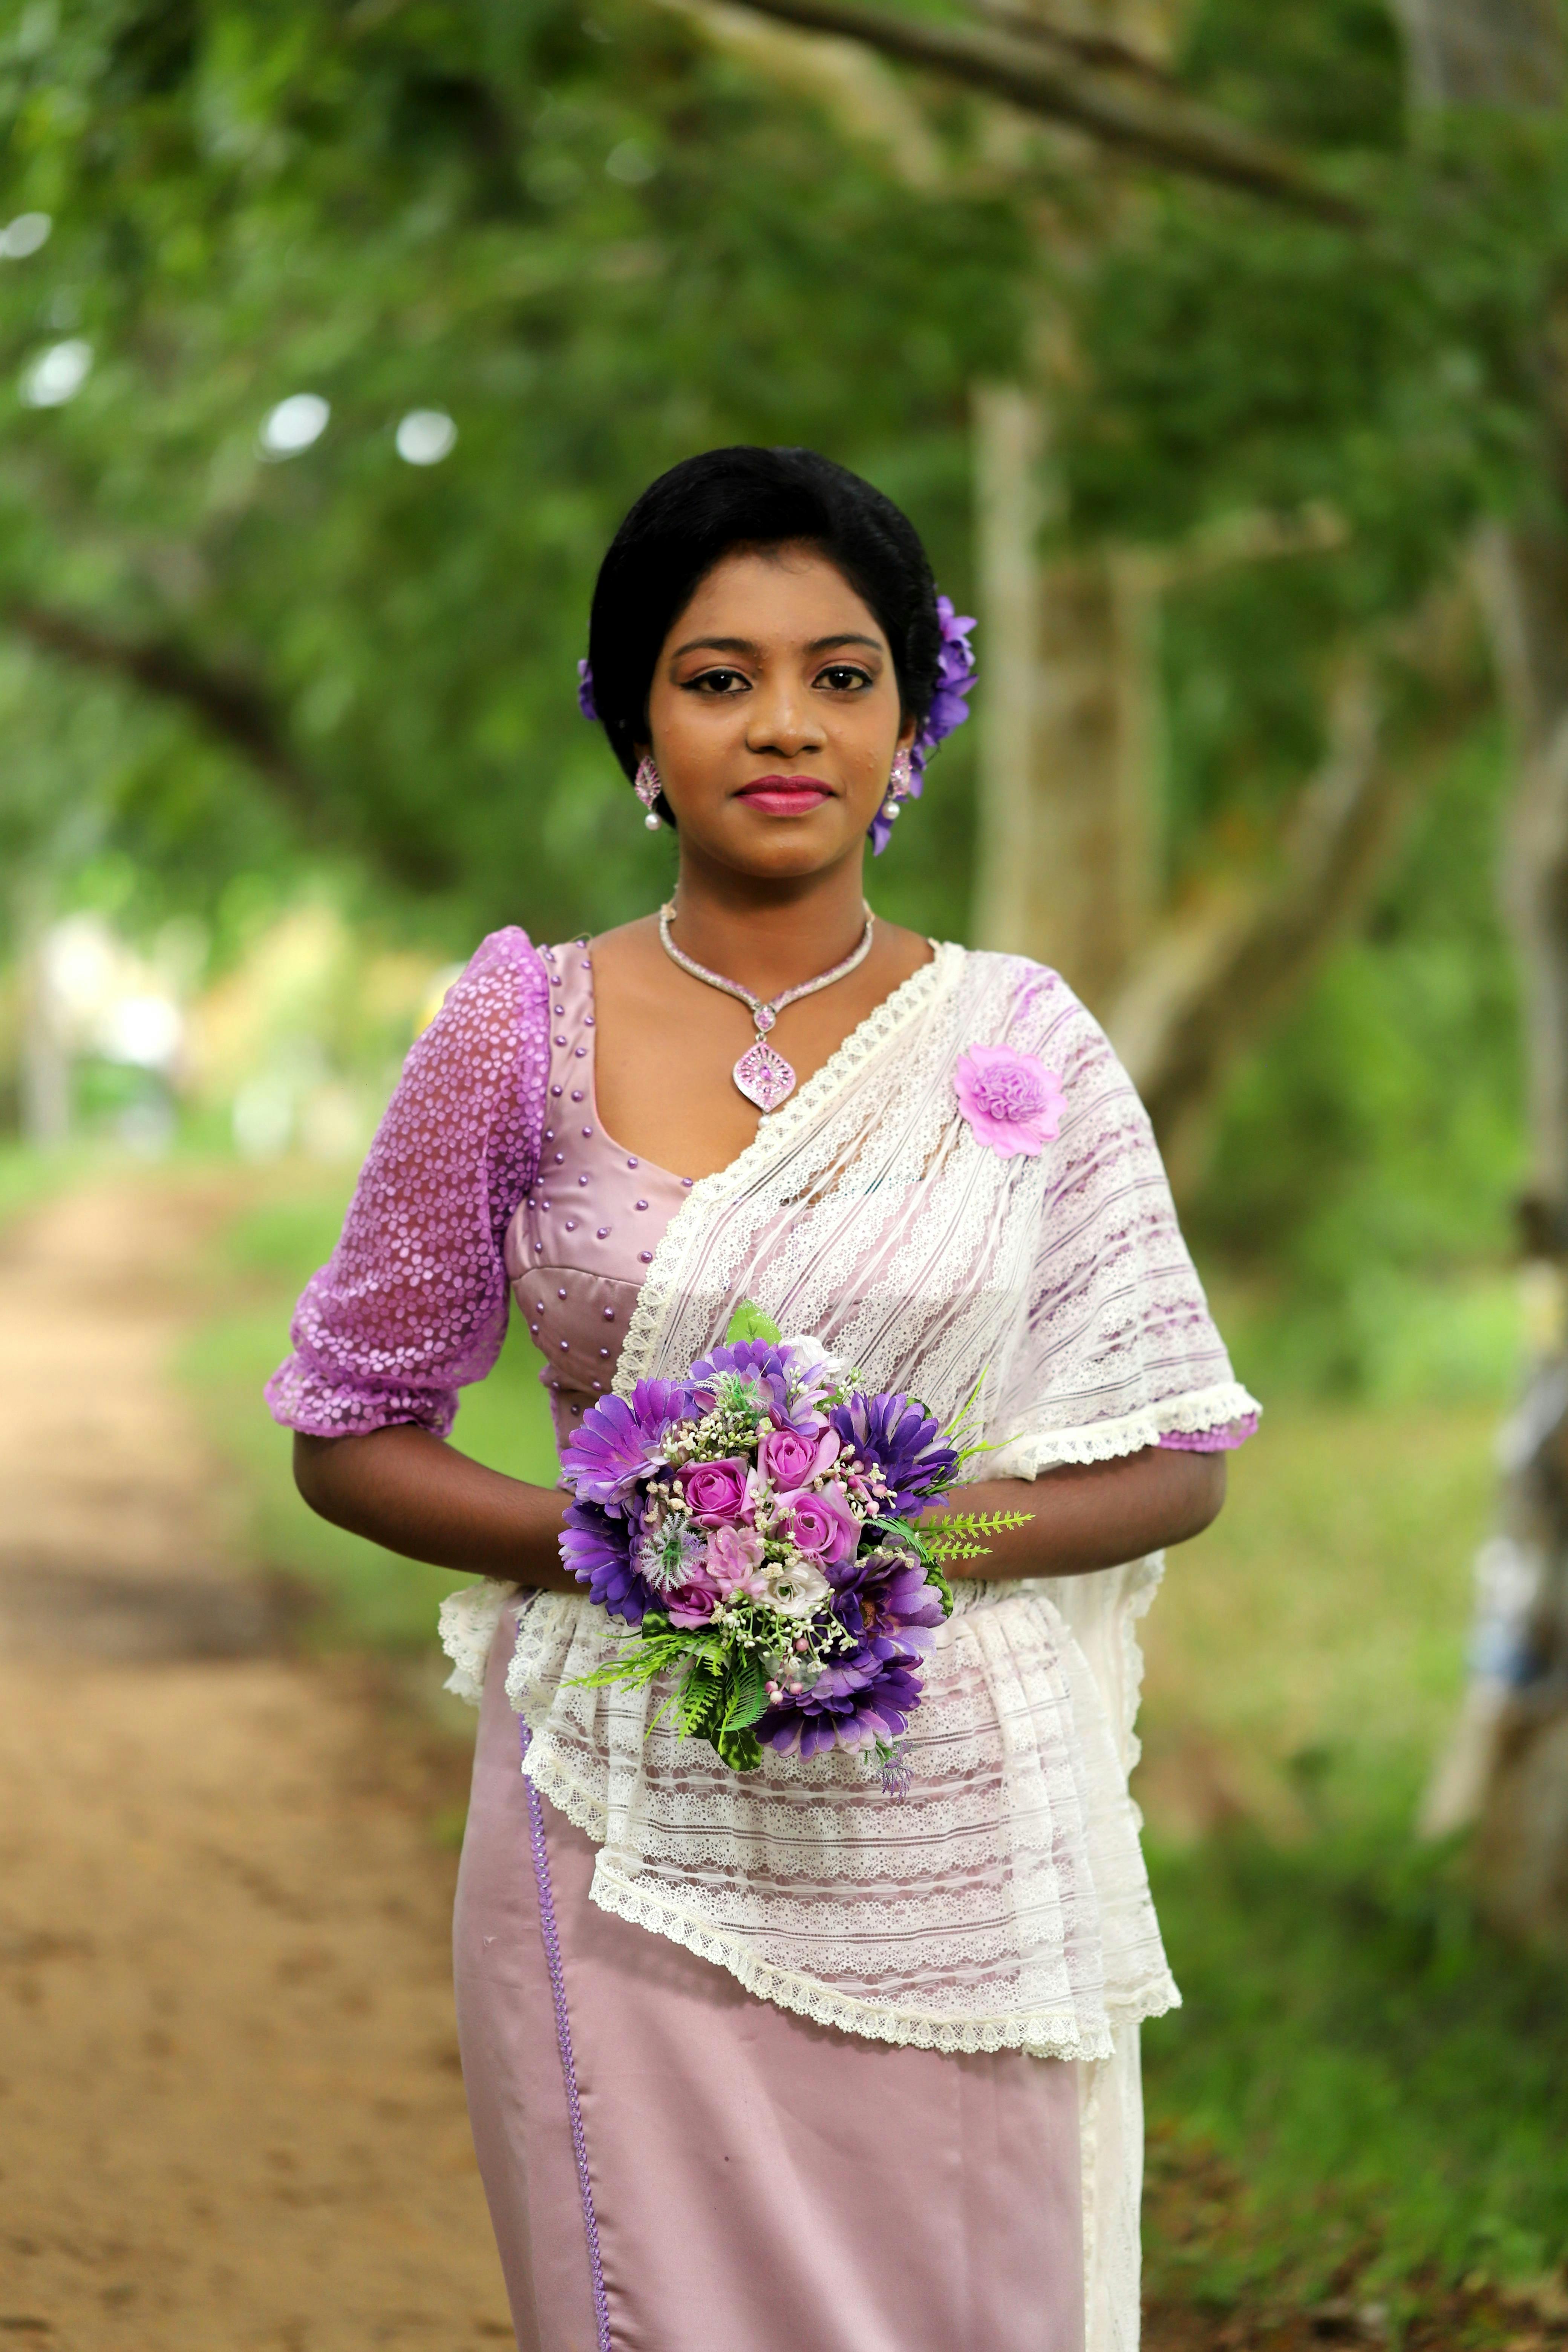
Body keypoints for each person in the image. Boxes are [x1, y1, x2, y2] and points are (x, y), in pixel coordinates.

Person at [266, 445, 1258, 2352]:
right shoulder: (514, 1028)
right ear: (634, 724)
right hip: (612, 1819)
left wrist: (864, 1543)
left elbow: (1174, 1458)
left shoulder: (1018, 1039)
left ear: (911, 723)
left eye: (841, 672)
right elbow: (352, 1431)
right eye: (716, 678)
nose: (782, 723)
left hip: (955, 1828)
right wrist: (633, 1552)